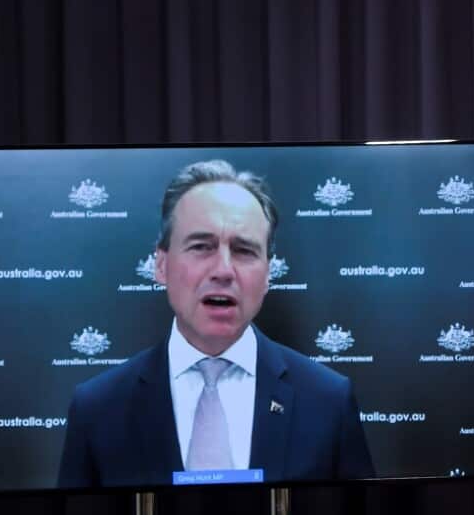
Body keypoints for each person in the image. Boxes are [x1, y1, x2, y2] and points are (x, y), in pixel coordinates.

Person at [58, 160, 374, 488]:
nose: (223, 270)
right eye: (201, 247)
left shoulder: (327, 401)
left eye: (244, 250)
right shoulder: (98, 408)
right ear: (162, 265)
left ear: (268, 274)